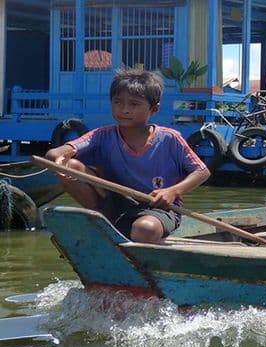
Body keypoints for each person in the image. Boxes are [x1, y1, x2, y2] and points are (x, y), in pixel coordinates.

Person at [46, 68, 210, 243]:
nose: (124, 110)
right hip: (113, 203)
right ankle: (102, 218)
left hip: (158, 207)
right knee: (70, 167)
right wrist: (62, 155)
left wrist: (172, 191)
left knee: (145, 229)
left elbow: (202, 172)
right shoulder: (102, 136)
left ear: (154, 109)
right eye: (118, 102)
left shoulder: (169, 139)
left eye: (134, 104)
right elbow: (53, 155)